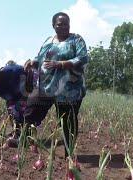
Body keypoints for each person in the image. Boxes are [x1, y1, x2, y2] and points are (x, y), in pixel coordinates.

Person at [24, 12, 89, 158]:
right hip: (46, 87)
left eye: (66, 23)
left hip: (69, 91)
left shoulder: (76, 40)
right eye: (60, 23)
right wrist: (32, 63)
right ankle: (25, 142)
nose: (64, 26)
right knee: (31, 111)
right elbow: (39, 58)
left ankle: (69, 155)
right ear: (53, 25)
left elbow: (82, 58)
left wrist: (60, 64)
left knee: (67, 122)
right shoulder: (48, 40)